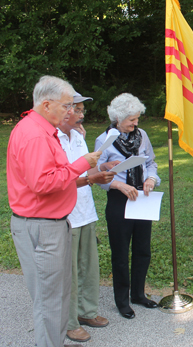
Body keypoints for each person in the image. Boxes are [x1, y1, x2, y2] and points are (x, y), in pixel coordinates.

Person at [7, 75, 100, 347]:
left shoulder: (42, 130)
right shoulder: (35, 135)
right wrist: (81, 164)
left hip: (50, 223)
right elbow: (42, 183)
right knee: (49, 301)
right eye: (66, 106)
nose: (71, 111)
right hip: (41, 226)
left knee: (57, 296)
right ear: (46, 105)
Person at [58, 92, 118, 343]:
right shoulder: (54, 139)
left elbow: (86, 169)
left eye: (83, 110)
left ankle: (87, 312)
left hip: (86, 211)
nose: (83, 115)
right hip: (67, 213)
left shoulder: (79, 135)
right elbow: (60, 179)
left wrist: (101, 169)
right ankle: (69, 323)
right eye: (78, 110)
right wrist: (91, 179)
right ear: (64, 110)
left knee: (89, 268)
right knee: (69, 273)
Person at [95, 93, 161, 319]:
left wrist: (151, 179)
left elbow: (151, 162)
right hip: (119, 200)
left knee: (143, 249)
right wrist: (119, 186)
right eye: (132, 120)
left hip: (142, 198)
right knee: (121, 253)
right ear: (117, 118)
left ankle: (138, 295)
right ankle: (122, 301)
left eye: (137, 119)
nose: (136, 124)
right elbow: (96, 174)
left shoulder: (142, 136)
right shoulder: (104, 140)